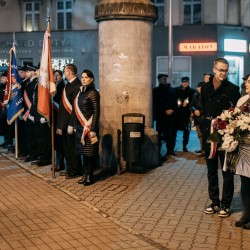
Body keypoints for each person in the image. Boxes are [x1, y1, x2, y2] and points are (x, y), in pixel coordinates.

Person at [201, 57, 240, 217]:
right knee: (211, 169)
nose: (223, 73)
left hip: (226, 135)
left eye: (226, 70)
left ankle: (226, 205)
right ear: (214, 69)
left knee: (227, 171)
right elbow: (203, 108)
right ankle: (214, 202)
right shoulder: (204, 88)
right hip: (210, 133)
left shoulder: (233, 89)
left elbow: (237, 113)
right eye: (220, 70)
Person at [224, 75, 250, 229]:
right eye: (246, 81)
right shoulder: (242, 99)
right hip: (243, 147)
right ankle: (247, 214)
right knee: (245, 183)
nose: (246, 83)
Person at [70, 69, 100, 186]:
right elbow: (77, 112)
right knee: (83, 153)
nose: (83, 79)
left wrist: (93, 129)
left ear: (91, 79)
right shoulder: (80, 93)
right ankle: (84, 175)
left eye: (86, 77)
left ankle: (90, 176)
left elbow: (97, 112)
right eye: (82, 77)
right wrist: (76, 126)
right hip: (80, 129)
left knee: (89, 153)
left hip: (89, 128)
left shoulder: (93, 93)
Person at [56, 64, 82, 179]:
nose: (64, 73)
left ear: (70, 72)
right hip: (64, 122)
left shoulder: (77, 86)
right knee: (67, 147)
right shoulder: (69, 85)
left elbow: (75, 107)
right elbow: (63, 104)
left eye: (65, 71)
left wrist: (71, 124)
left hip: (70, 123)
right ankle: (69, 167)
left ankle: (75, 169)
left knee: (72, 148)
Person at [153, 74, 177, 158]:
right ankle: (158, 151)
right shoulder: (155, 91)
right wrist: (164, 111)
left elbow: (175, 102)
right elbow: (155, 104)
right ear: (159, 80)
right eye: (163, 79)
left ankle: (170, 150)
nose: (165, 80)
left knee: (170, 133)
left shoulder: (172, 90)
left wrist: (172, 109)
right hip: (160, 116)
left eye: (166, 79)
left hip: (171, 116)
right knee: (159, 134)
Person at [174, 76, 195, 152]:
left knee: (186, 131)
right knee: (174, 130)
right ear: (181, 82)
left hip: (187, 113)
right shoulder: (176, 90)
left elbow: (193, 102)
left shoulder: (192, 91)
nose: (185, 83)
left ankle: (184, 146)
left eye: (186, 82)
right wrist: (177, 103)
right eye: (184, 82)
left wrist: (188, 104)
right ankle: (172, 147)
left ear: (188, 82)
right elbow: (174, 99)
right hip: (177, 113)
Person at [53, 70, 65, 171]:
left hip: (60, 116)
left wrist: (54, 96)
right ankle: (57, 161)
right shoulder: (55, 86)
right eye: (54, 75)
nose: (55, 77)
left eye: (57, 75)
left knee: (60, 142)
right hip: (55, 116)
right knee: (56, 142)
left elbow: (61, 101)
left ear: (61, 76)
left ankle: (60, 162)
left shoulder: (62, 86)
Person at [190, 81, 204, 155]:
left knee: (204, 135)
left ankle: (205, 151)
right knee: (199, 135)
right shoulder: (195, 95)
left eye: (200, 87)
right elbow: (191, 105)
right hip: (197, 118)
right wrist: (194, 110)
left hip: (203, 118)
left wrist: (200, 112)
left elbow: (207, 107)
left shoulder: (206, 96)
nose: (198, 88)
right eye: (198, 87)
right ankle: (202, 149)